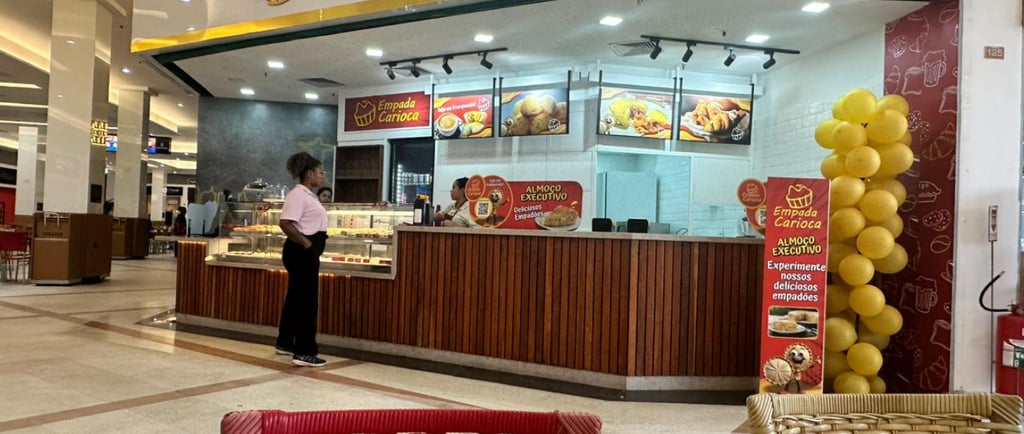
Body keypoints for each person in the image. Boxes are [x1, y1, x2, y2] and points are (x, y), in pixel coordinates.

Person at [275, 152, 329, 367]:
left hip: (304, 251)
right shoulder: (298, 195)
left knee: (296, 298)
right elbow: (285, 223)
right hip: (301, 252)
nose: (323, 176)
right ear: (309, 174)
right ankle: (304, 351)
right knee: (307, 302)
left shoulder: (309, 195)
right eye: (320, 172)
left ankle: (285, 342)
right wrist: (307, 244)